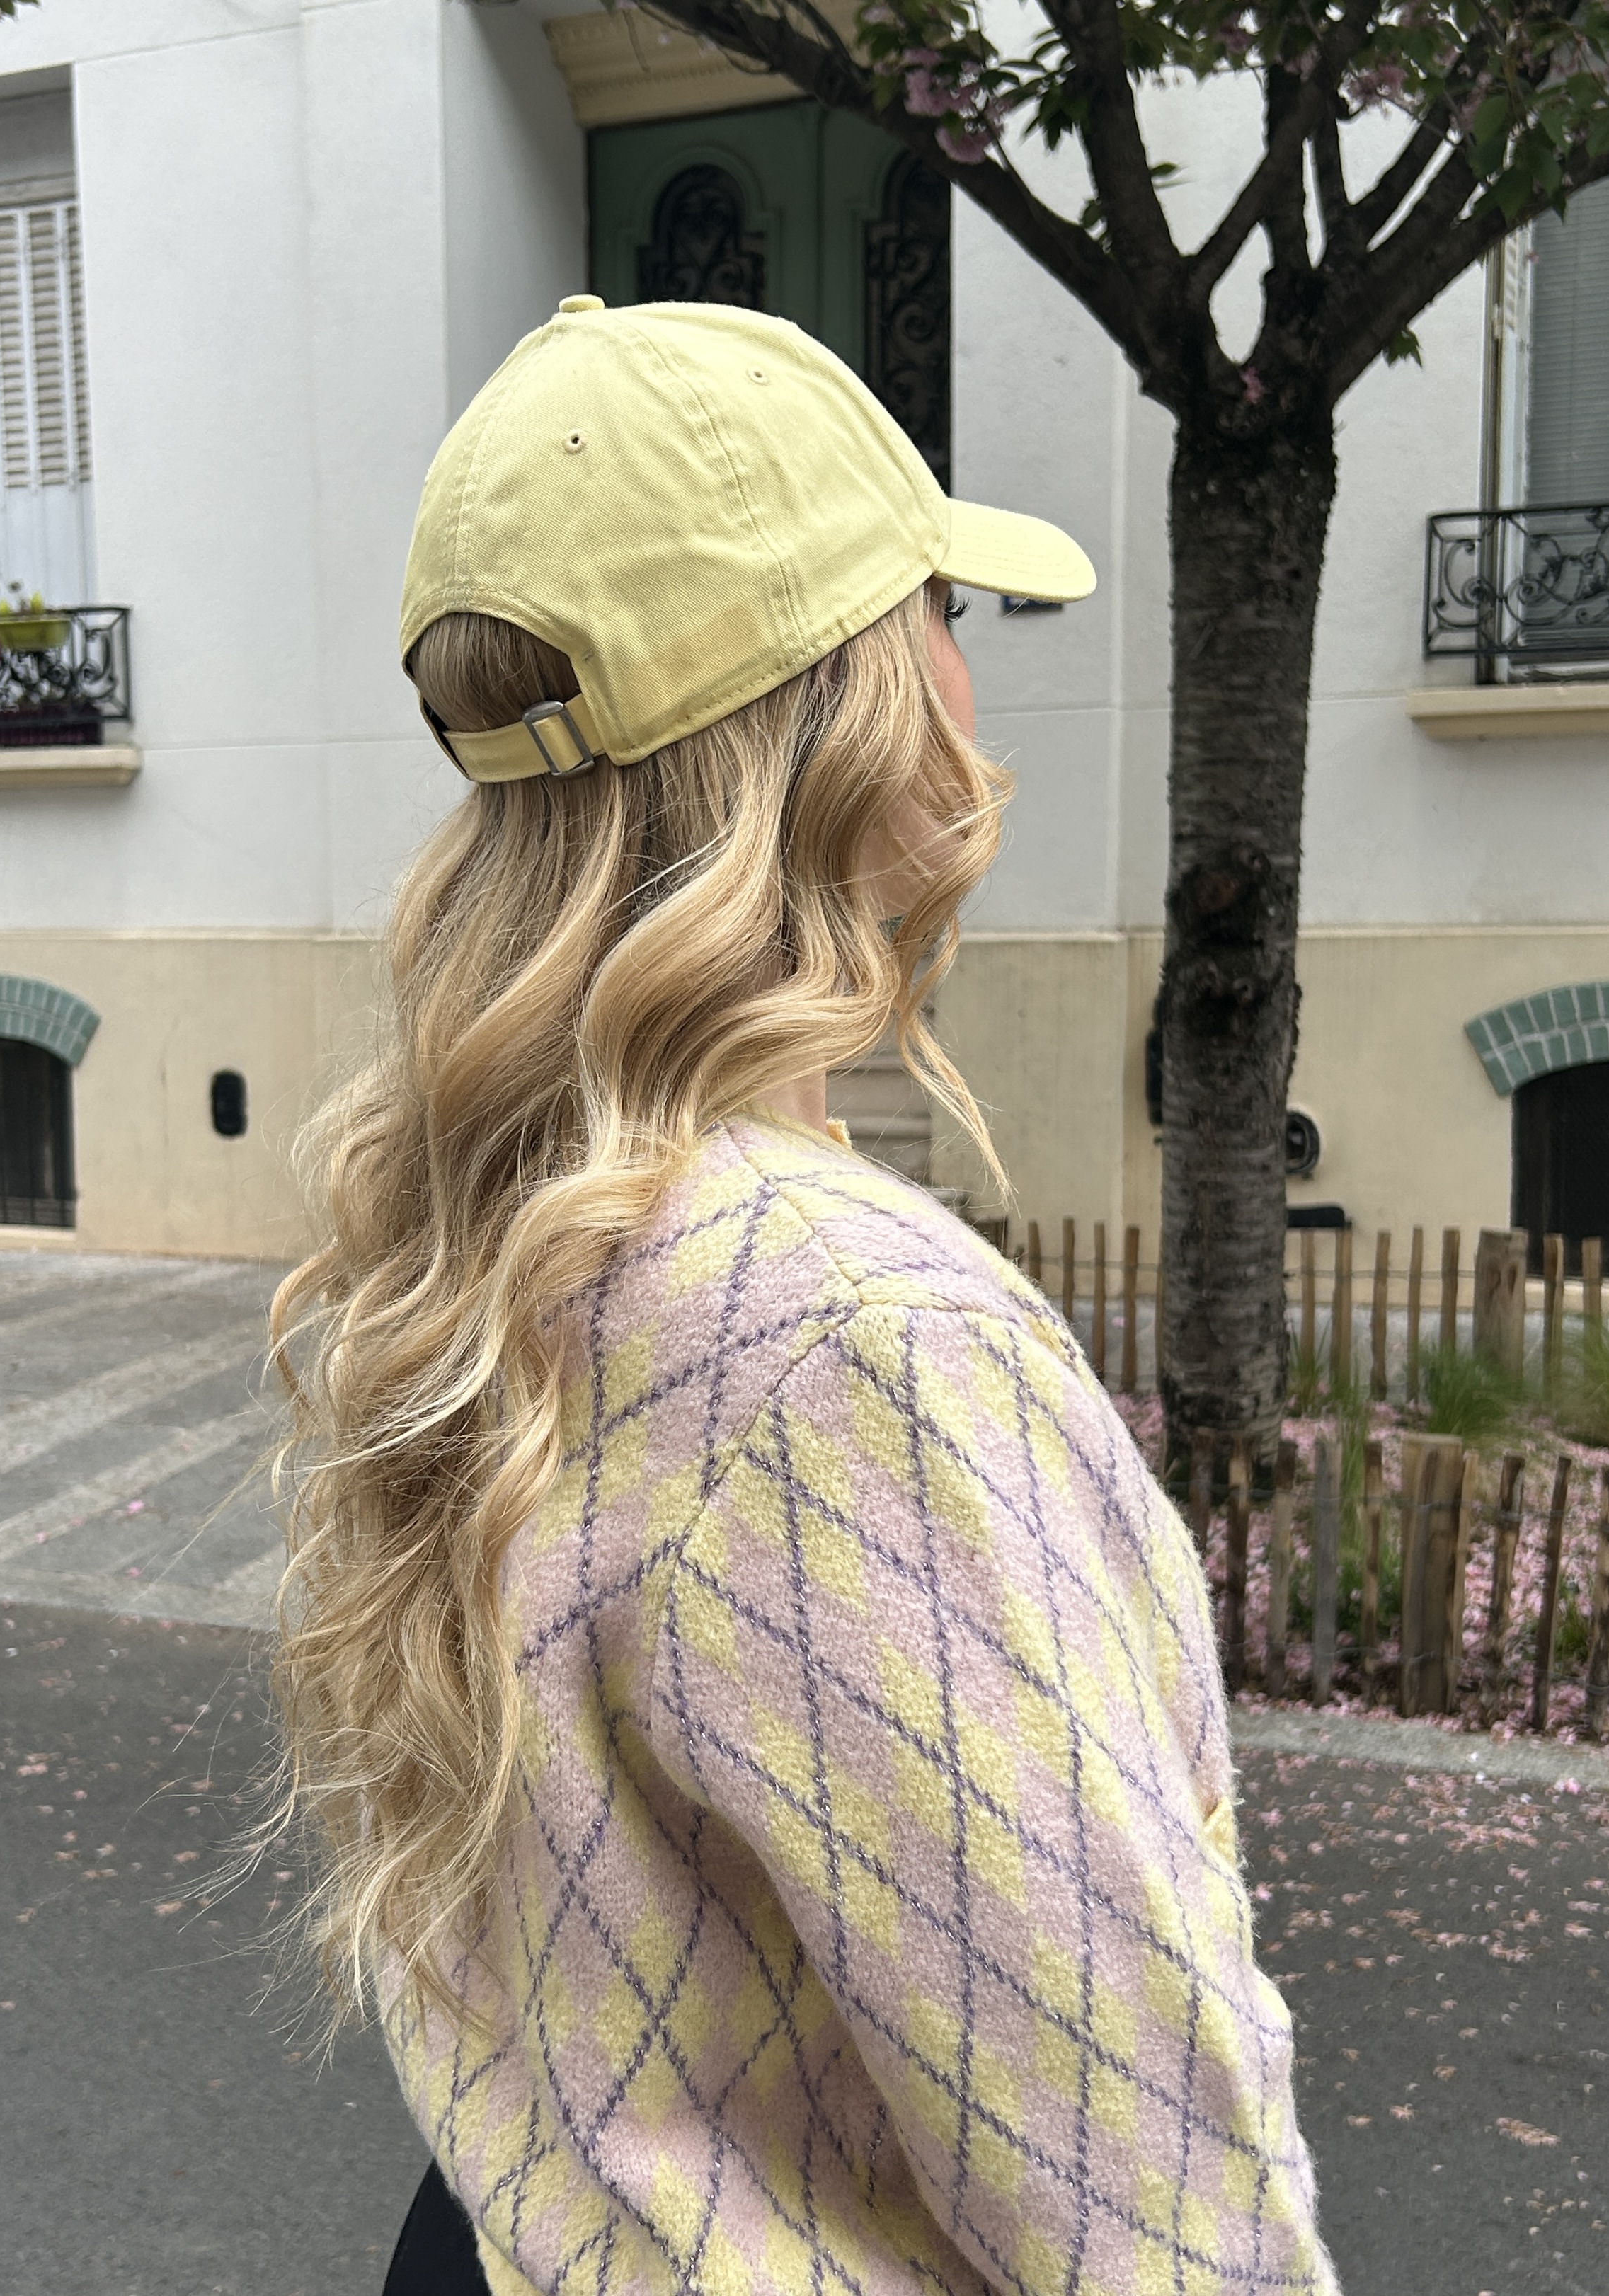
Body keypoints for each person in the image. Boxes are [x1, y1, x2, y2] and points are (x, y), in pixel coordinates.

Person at [270, 295, 1339, 2296]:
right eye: (942, 609)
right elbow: (1144, 2185)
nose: (967, 679)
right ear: (849, 709)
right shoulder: (858, 1343)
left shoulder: (502, 1231)